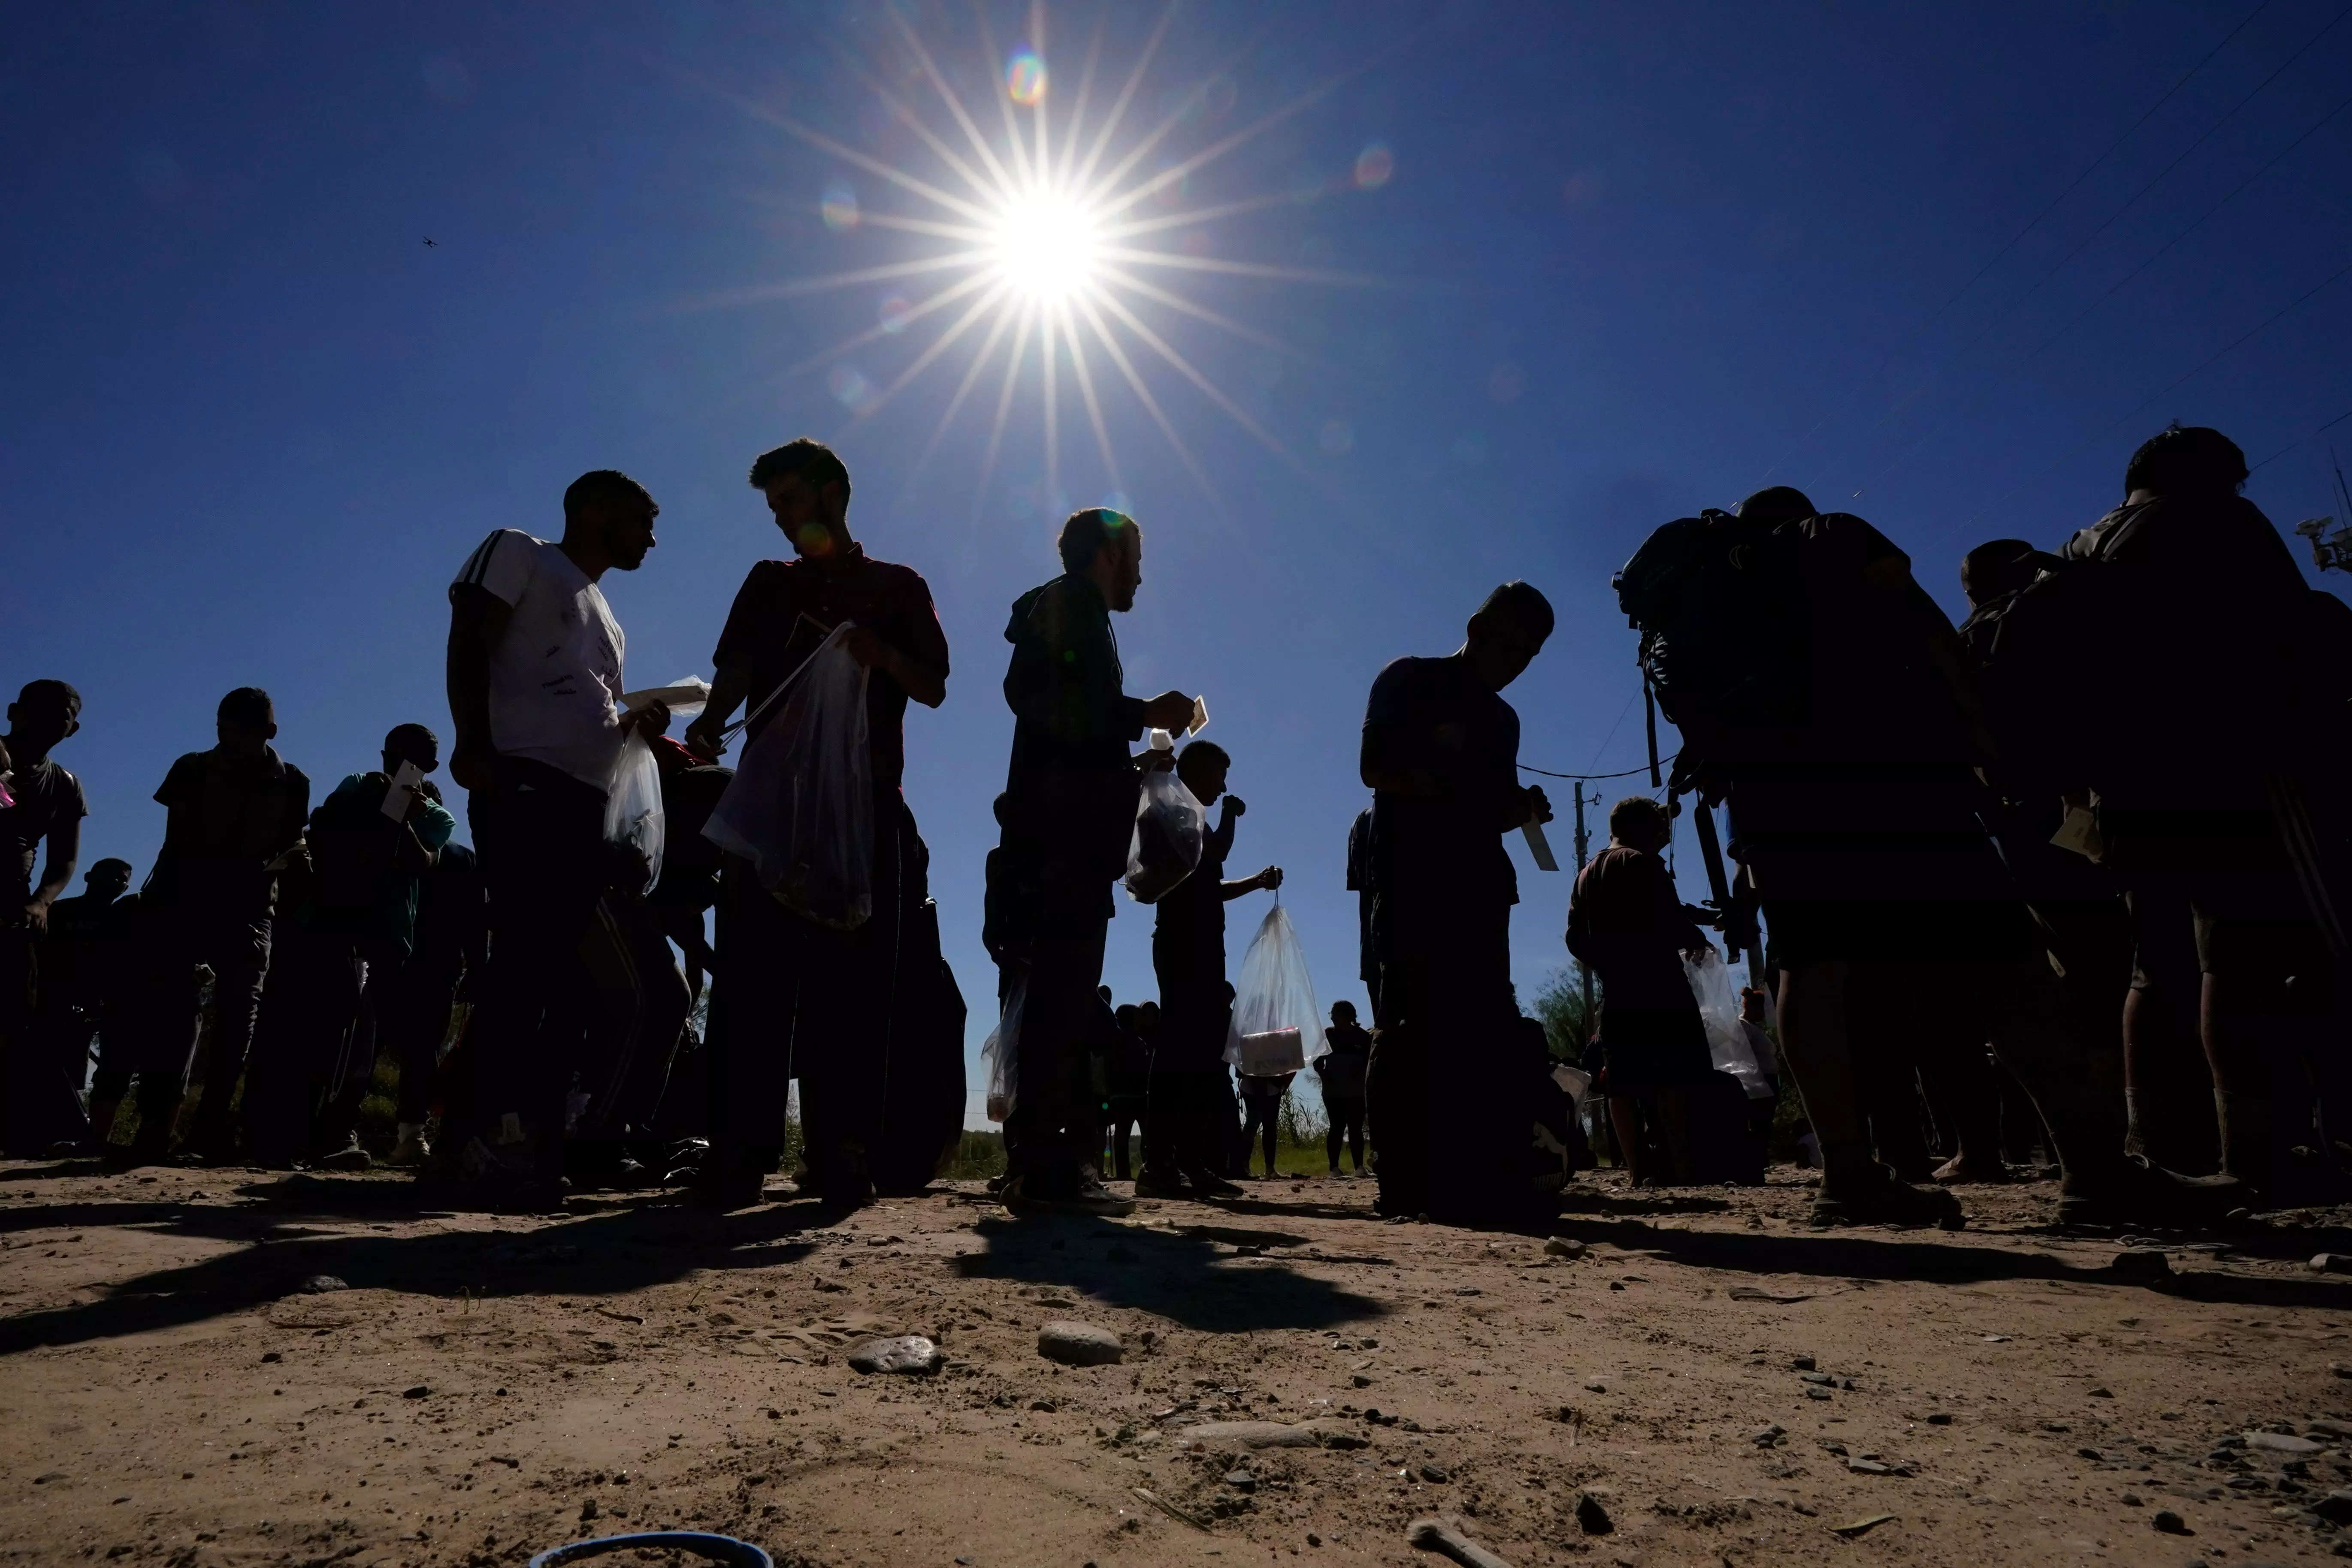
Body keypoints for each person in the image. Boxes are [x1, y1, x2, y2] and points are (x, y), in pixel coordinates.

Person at [1622, 484, 2227, 1227]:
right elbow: (1927, 630)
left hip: (1771, 797)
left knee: (1808, 969)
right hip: (1891, 773)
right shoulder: (1828, 533)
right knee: (2004, 961)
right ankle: (2095, 1170)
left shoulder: (1697, 598)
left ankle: (1848, 1175)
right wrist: (1984, 743)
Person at [2054, 426, 2334, 1196]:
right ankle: (2255, 1156)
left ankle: (2164, 1146)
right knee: (2238, 958)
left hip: (2123, 780)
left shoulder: (2082, 546)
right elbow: (2293, 633)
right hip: (2226, 764)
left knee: (2154, 966)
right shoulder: (2219, 521)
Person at [684, 438, 950, 1211]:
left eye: (791, 502)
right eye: (773, 508)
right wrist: (711, 722)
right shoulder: (769, 585)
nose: (781, 520)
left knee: (856, 986)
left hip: (865, 808)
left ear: (832, 494)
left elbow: (932, 685)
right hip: (775, 811)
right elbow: (734, 670)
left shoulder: (896, 587)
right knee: (752, 980)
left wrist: (880, 656)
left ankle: (842, 1151)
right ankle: (739, 1152)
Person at [446, 469, 667, 1207]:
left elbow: (591, 703)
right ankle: (481, 1140)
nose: (652, 539)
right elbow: (470, 635)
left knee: (554, 975)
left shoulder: (611, 619)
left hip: (580, 804)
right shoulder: (521, 553)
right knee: (523, 964)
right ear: (597, 510)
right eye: (643, 521)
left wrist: (635, 726)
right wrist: (472, 742)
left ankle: (512, 1142)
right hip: (522, 783)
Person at [994, 506, 1197, 1215]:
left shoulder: (1076, 612)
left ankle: (1044, 1158)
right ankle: (1045, 1161)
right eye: (1136, 559)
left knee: (1063, 995)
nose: (1141, 574)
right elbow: (1042, 698)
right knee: (1061, 995)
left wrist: (1135, 758)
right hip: (1062, 841)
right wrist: (1144, 711)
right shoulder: (1073, 601)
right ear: (1109, 556)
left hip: (1061, 836)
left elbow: (1068, 717)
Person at [1360, 582, 1554, 1224]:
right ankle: (1403, 1183)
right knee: (1409, 1023)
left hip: (1481, 888)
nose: (1516, 662)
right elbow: (1377, 768)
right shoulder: (1409, 680)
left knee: (1483, 1028)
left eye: (1529, 655)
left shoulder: (1504, 720)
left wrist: (1518, 808)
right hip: (1415, 879)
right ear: (1476, 627)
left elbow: (1492, 807)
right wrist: (1461, 792)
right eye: (1509, 645)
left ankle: (1473, 1175)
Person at [126, 687, 310, 1166]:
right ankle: (156, 1126)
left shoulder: (293, 782)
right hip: (187, 903)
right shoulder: (191, 768)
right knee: (174, 1014)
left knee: (237, 1021)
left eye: (241, 733)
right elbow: (177, 845)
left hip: (251, 910)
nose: (229, 743)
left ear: (269, 732)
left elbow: (291, 847)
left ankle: (208, 1130)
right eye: (223, 731)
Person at [300, 724, 459, 1168]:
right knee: (336, 1028)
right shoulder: (357, 786)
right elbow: (325, 829)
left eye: (420, 761)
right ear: (385, 756)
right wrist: (377, 805)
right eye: (400, 757)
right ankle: (320, 1129)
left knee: (367, 1039)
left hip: (390, 936)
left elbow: (421, 860)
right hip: (340, 920)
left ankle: (337, 1127)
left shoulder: (435, 814)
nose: (407, 768)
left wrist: (400, 816)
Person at [1139, 740, 1281, 1198]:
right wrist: (1232, 816)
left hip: (1202, 946)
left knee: (1201, 1055)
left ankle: (1190, 1160)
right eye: (1219, 776)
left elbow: (1211, 884)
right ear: (1198, 773)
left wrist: (1256, 883)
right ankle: (1160, 1163)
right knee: (1180, 1051)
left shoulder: (1186, 816)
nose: (1224, 787)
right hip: (1183, 947)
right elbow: (1215, 852)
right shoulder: (1173, 814)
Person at [1564, 795, 1714, 1187]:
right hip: (1658, 982)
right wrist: (1695, 934)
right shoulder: (1640, 862)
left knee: (1621, 1082)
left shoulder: (1586, 873)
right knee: (1672, 1075)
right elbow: (1666, 914)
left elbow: (1574, 938)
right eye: (1658, 827)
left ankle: (1637, 1171)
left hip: (1616, 988)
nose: (1664, 835)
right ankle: (1683, 1167)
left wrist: (1606, 963)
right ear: (1641, 827)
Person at [0, 681, 89, 1155]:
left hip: (13, 908)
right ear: (15, 711)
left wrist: (42, 901)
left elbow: (64, 860)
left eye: (64, 714)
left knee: (18, 1019)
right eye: (42, 710)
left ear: (73, 729)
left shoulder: (65, 784)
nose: (53, 720)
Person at [27, 858, 133, 1151]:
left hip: (97, 1005)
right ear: (88, 877)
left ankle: (72, 1133)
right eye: (111, 876)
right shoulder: (60, 912)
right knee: (48, 1065)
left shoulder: (120, 919)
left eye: (123, 879)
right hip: (53, 1002)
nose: (117, 883)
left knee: (76, 1070)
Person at [1315, 999, 1371, 1175]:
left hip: (1356, 1091)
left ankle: (1359, 1167)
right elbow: (1317, 1061)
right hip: (1333, 1092)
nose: (1333, 1018)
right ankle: (1334, 1168)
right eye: (1332, 1015)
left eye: (1336, 1015)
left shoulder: (1363, 1037)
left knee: (1355, 1128)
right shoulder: (1328, 1036)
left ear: (1348, 1016)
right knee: (1336, 1127)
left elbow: (1370, 1062)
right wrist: (1326, 1077)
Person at [1237, 1066, 1295, 1178]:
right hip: (1252, 1085)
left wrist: (1285, 1082)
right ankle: (1244, 1167)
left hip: (1272, 1088)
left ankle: (1270, 1169)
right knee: (1253, 1124)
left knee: (1270, 1127)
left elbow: (1293, 1064)